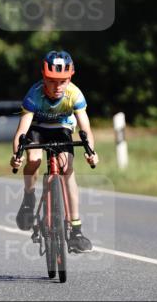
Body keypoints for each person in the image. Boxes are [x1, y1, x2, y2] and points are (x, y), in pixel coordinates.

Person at [10, 50, 99, 252]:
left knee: (67, 169)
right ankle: (29, 197)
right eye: (52, 81)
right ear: (44, 77)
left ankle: (76, 230)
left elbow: (85, 128)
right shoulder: (34, 94)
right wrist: (16, 155)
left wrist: (91, 152)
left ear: (70, 78)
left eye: (63, 81)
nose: (57, 86)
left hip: (61, 128)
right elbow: (21, 131)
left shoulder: (75, 94)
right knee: (34, 159)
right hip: (37, 127)